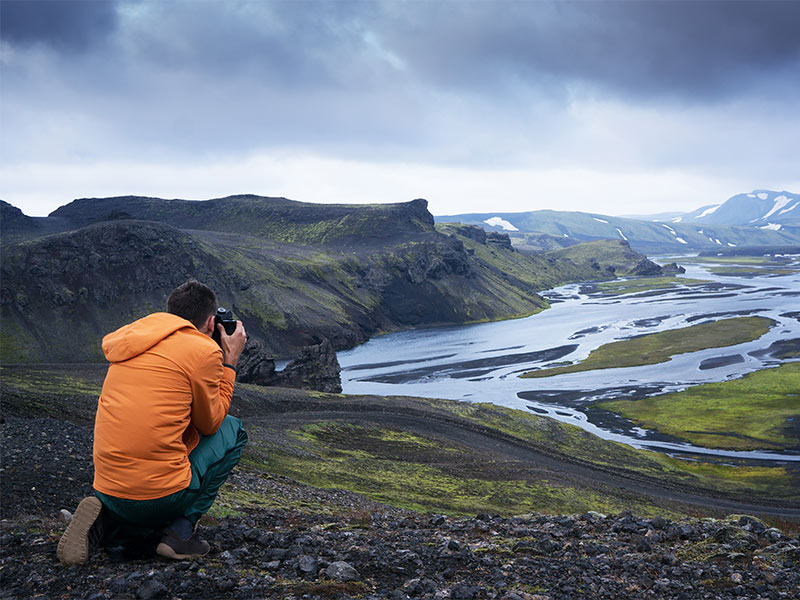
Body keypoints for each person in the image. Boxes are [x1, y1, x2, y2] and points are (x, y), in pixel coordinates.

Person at [57, 279, 248, 565]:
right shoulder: (202, 350)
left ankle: (106, 522)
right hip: (158, 497)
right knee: (233, 430)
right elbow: (210, 424)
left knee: (157, 448)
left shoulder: (130, 342)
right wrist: (229, 362)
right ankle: (181, 533)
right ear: (211, 323)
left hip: (107, 487)